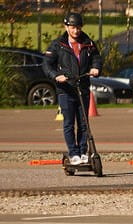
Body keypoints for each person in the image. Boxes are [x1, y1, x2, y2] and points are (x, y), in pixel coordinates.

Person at [42, 12, 102, 166]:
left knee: (83, 123)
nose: (76, 31)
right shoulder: (58, 45)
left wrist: (95, 68)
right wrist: (56, 76)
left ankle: (83, 152)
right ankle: (73, 153)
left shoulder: (88, 43)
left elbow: (96, 58)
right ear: (66, 27)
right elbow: (47, 64)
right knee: (69, 123)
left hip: (82, 87)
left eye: (78, 27)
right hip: (66, 89)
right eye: (73, 27)